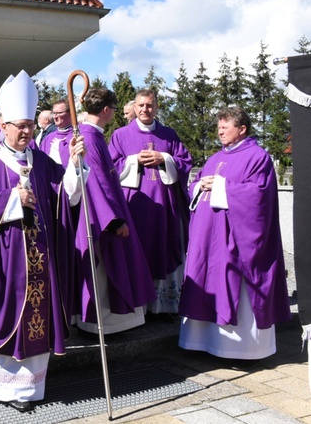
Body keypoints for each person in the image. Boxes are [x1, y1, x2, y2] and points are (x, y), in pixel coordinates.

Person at [0, 70, 86, 412]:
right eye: (19, 125)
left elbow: (66, 198)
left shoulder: (41, 161)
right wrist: (12, 201)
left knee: (35, 317)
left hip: (39, 258)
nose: (26, 131)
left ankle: (25, 389)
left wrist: (75, 165)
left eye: (29, 124)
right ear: (3, 126)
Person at [179, 107, 291, 361]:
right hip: (208, 239)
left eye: (225, 126)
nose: (219, 131)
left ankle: (240, 350)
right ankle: (200, 343)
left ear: (242, 129)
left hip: (236, 240)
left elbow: (258, 196)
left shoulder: (257, 157)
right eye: (219, 126)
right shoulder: (215, 157)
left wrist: (219, 185)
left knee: (231, 283)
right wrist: (199, 186)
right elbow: (197, 186)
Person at [73, 87, 156, 335]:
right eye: (115, 109)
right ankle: (99, 324)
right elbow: (95, 183)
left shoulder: (92, 135)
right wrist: (114, 221)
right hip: (100, 219)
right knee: (104, 269)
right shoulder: (88, 138)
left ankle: (108, 322)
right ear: (107, 110)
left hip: (105, 213)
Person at [109, 90, 192, 316]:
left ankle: (163, 307)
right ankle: (138, 310)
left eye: (150, 105)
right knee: (138, 251)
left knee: (164, 247)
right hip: (135, 206)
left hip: (165, 207)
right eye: (141, 105)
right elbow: (110, 167)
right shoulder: (121, 135)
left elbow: (185, 162)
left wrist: (164, 159)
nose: (145, 110)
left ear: (156, 107)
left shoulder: (169, 134)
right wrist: (134, 160)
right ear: (135, 107)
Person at [40, 99, 73, 165]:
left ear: (70, 113)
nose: (55, 117)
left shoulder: (79, 134)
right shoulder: (48, 138)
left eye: (59, 113)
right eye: (54, 113)